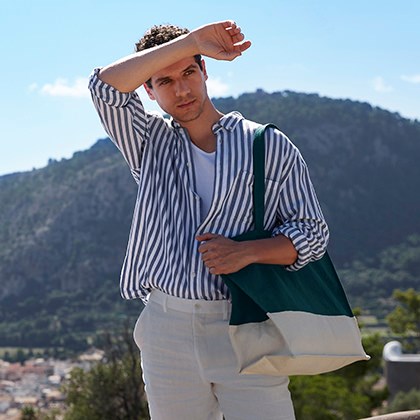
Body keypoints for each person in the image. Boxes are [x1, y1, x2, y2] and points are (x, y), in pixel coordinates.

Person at [89, 20, 329, 420]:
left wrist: (247, 252)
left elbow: (312, 233)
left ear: (204, 70)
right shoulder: (148, 142)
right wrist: (191, 42)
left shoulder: (267, 144)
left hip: (246, 322)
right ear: (148, 90)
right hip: (166, 327)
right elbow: (104, 88)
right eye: (165, 81)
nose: (182, 90)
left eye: (188, 72)